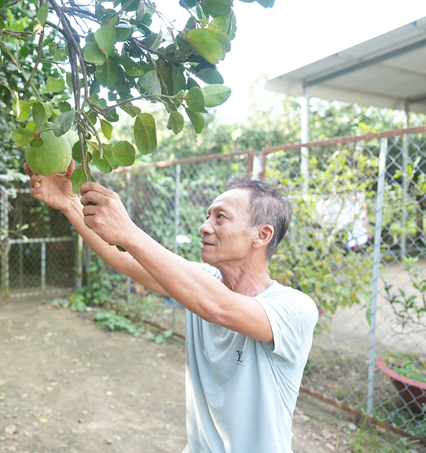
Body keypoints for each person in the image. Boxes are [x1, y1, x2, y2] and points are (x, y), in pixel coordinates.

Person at [24, 160, 319, 453]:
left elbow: (218, 307)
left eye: (220, 218)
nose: (204, 227)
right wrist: (69, 204)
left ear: (262, 235)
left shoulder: (294, 309)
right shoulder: (202, 282)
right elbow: (124, 260)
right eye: (208, 215)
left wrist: (128, 231)